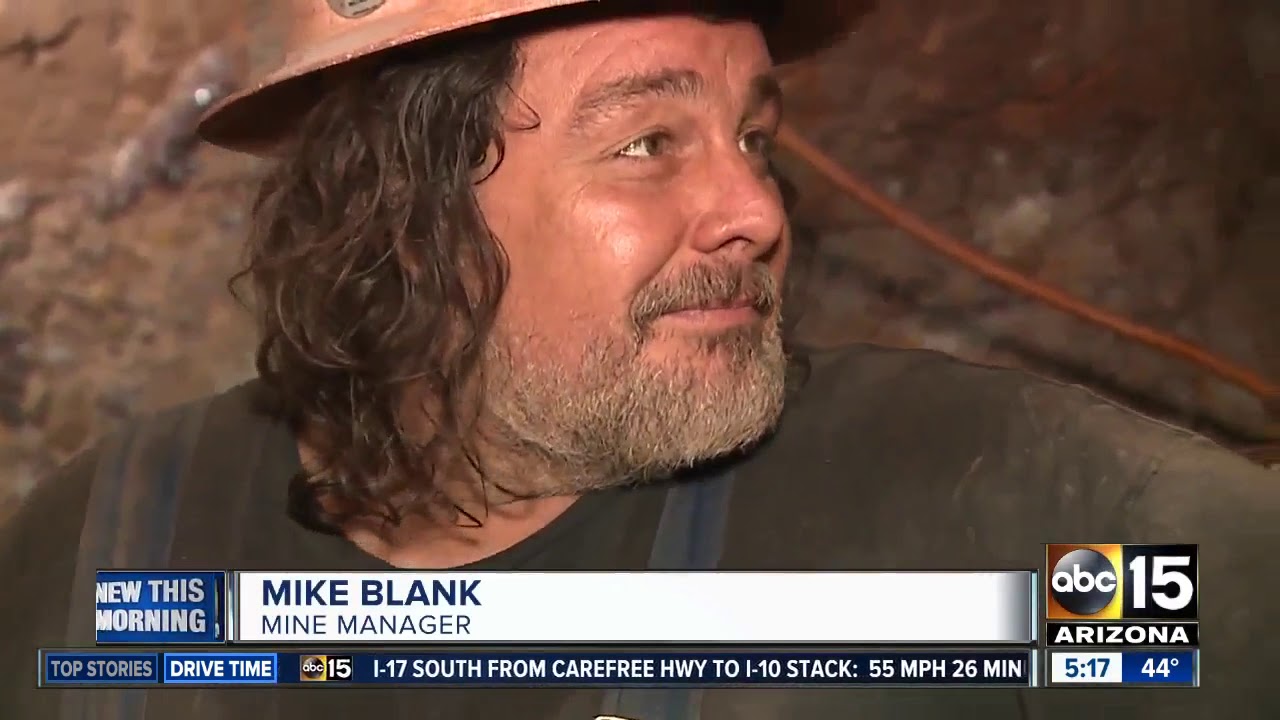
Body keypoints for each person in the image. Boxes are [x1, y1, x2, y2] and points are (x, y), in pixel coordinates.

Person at [3, 1, 1278, 717]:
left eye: (752, 136)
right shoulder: (112, 560)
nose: (755, 211)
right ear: (405, 216)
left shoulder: (998, 522)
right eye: (647, 143)